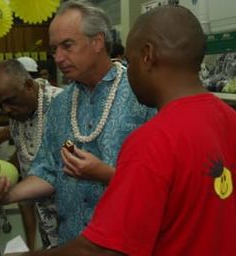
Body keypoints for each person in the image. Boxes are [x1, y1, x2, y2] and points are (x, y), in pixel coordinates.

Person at [17, 5, 236, 255]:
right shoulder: (229, 119)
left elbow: (102, 250)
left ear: (147, 56)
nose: (126, 71)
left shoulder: (153, 140)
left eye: (129, 62)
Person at [0, 0, 154, 246]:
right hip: (72, 241)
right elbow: (48, 170)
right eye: (54, 49)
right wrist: (8, 194)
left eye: (67, 46)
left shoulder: (141, 95)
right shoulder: (61, 105)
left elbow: (162, 178)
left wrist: (107, 175)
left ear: (97, 42)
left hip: (129, 242)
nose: (58, 58)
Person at [0, 59, 63, 250]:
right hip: (46, 220)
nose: (6, 110)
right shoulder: (18, 113)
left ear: (29, 85)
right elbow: (27, 157)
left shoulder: (62, 104)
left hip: (75, 222)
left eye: (10, 101)